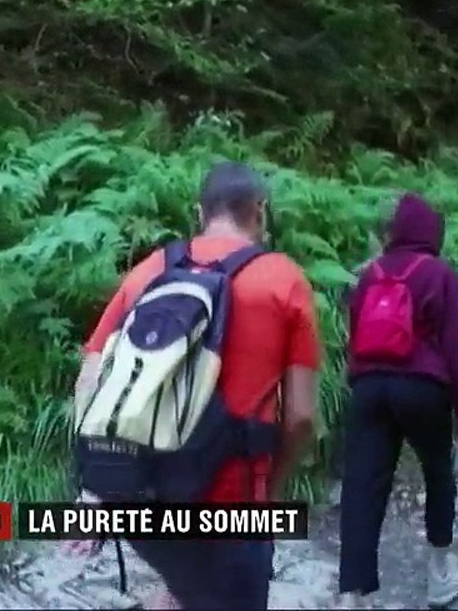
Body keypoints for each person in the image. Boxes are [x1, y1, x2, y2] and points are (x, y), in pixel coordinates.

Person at [72, 161, 320, 611]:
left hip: (143, 498)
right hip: (232, 504)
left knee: (184, 585)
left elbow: (91, 375)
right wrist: (272, 491)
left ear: (199, 211)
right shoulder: (284, 281)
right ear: (260, 211)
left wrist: (96, 486)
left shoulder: (151, 269)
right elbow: (301, 418)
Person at [337, 192, 458, 609]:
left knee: (362, 487)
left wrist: (361, 385)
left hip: (368, 387)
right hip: (422, 387)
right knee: (439, 474)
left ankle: (351, 595)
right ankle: (439, 573)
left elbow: (355, 338)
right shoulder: (441, 275)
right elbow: (457, 356)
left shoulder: (370, 274)